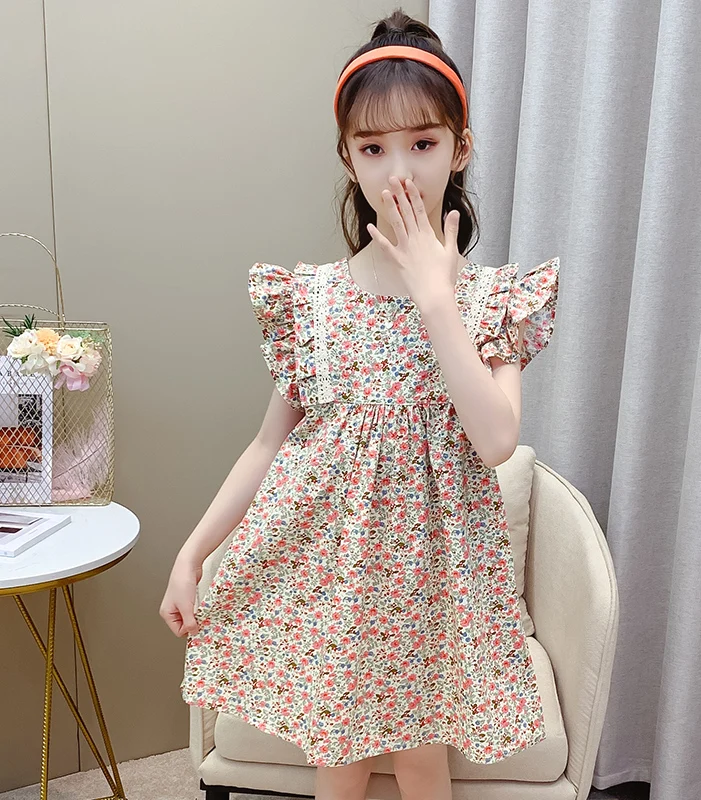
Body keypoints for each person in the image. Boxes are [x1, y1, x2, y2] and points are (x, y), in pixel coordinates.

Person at [160, 8, 559, 800]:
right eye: (373, 148)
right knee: (338, 760)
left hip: (434, 591)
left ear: (461, 148)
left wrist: (435, 297)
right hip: (338, 583)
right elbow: (268, 446)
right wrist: (193, 553)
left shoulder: (492, 301)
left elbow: (495, 440)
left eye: (423, 143)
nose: (398, 172)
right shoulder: (313, 300)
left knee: (420, 761)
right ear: (347, 157)